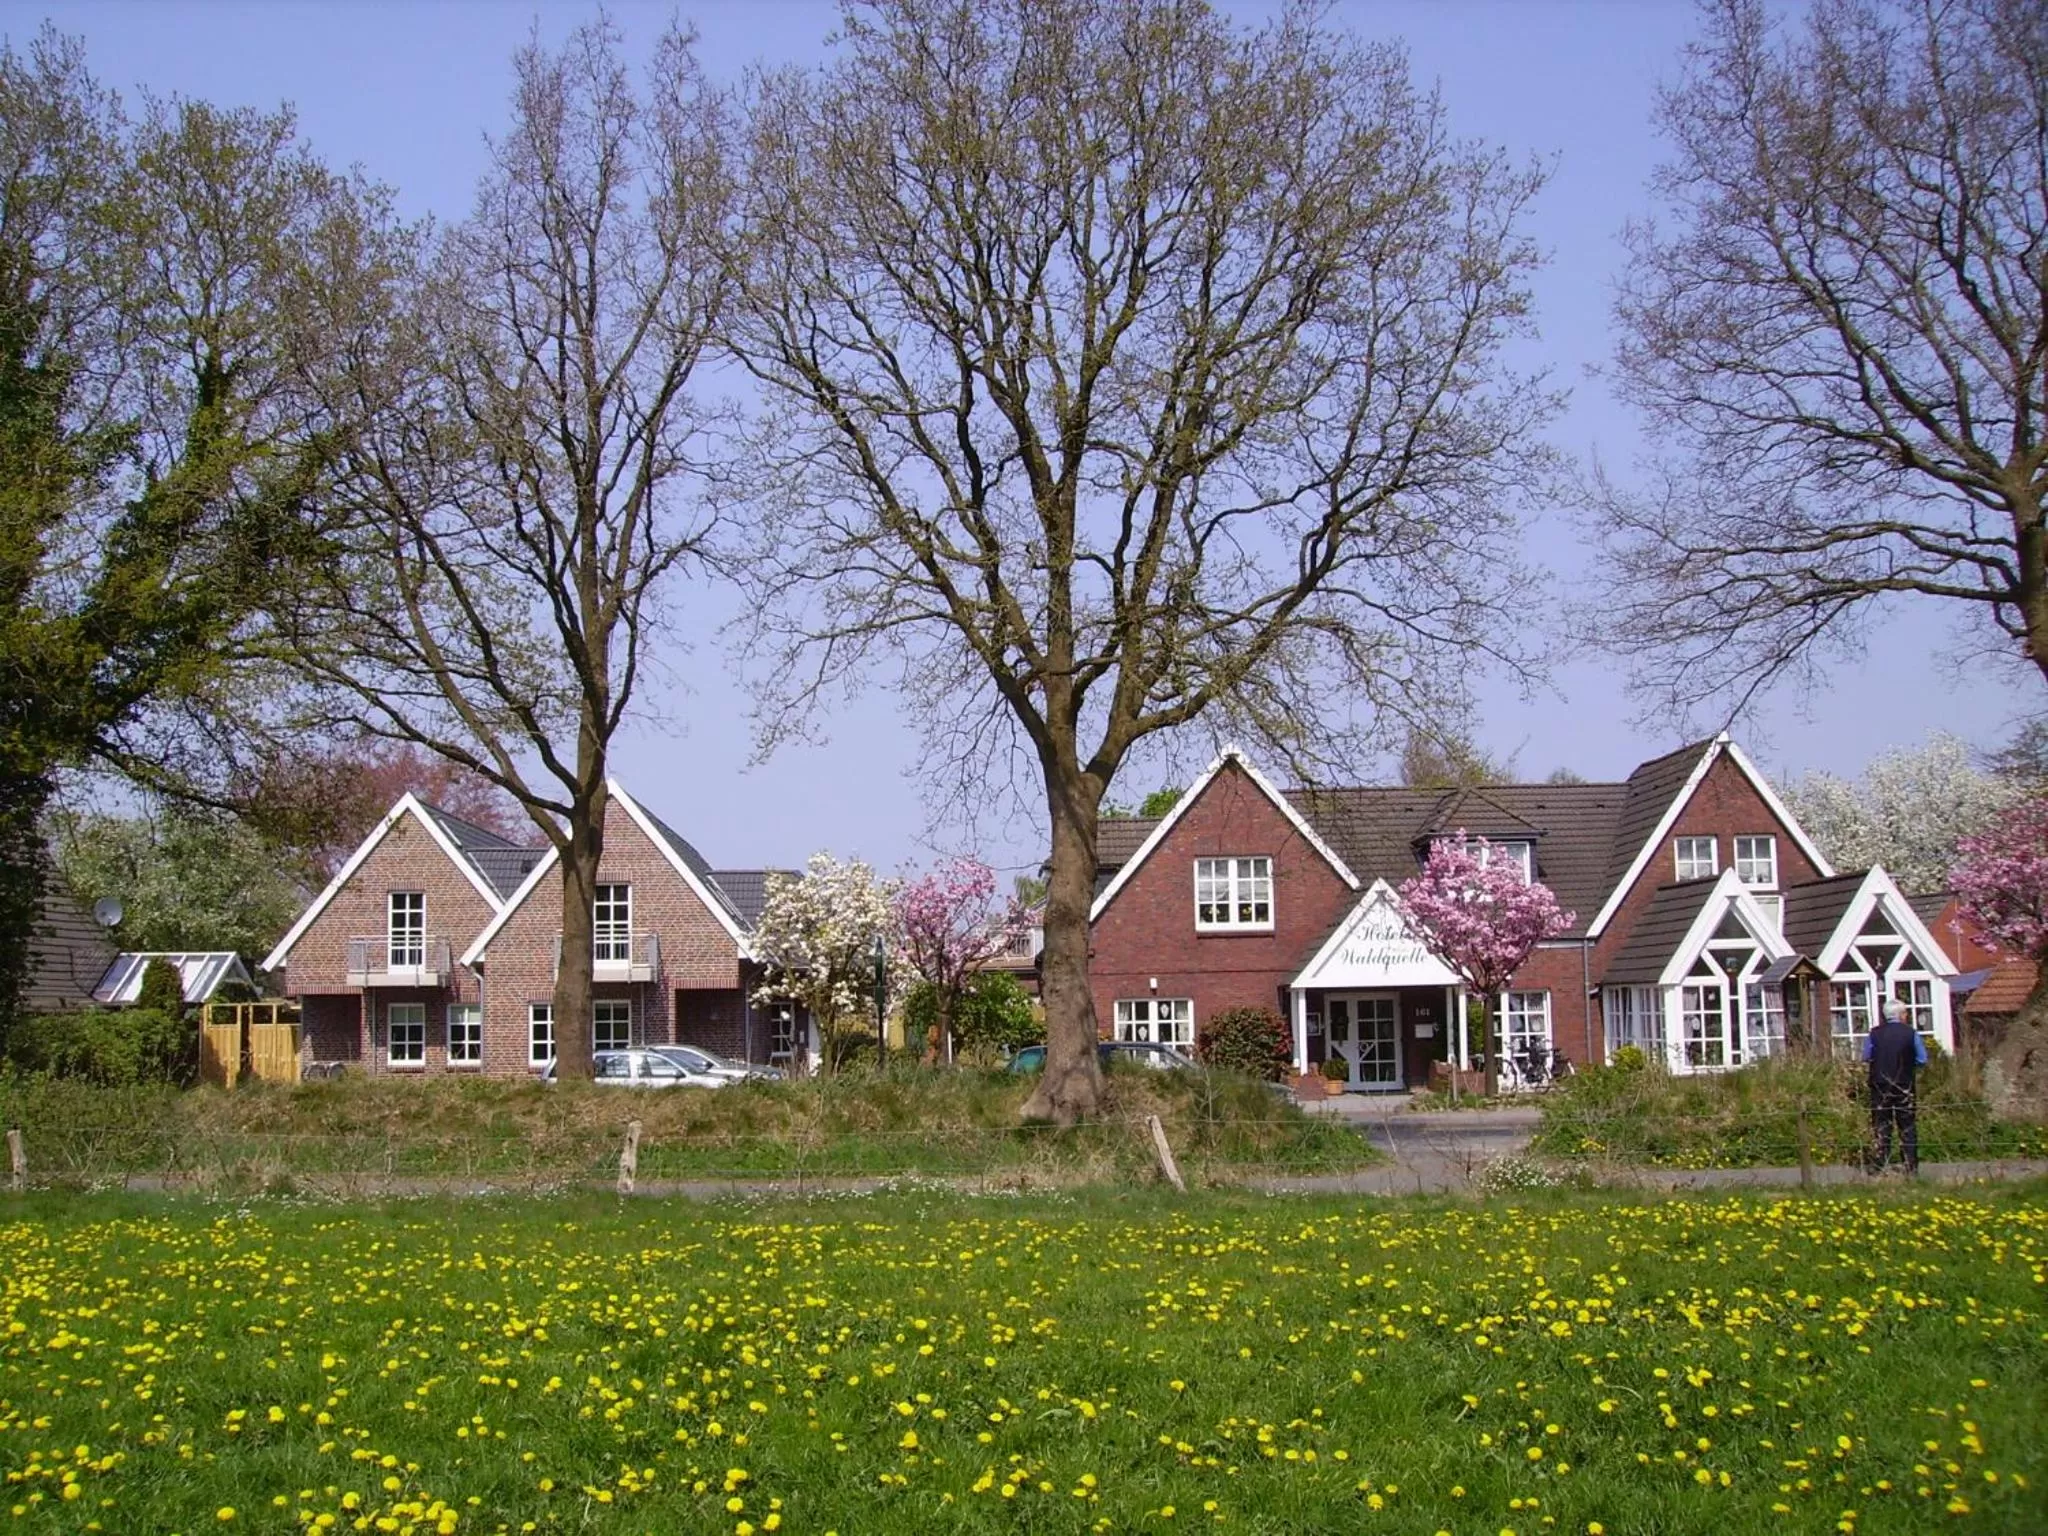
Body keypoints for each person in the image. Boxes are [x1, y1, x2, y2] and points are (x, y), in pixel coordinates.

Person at [1862, 997, 1927, 1175]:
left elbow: (1866, 1056)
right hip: (1904, 1084)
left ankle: (1880, 1164)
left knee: (1881, 1124)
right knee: (1907, 1125)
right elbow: (1922, 1058)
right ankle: (1910, 1165)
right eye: (1905, 1012)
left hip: (1879, 1085)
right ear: (1901, 1014)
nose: (1907, 1016)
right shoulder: (1911, 1033)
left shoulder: (1874, 1033)